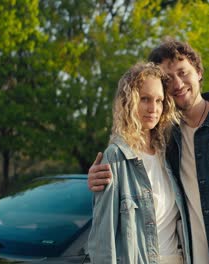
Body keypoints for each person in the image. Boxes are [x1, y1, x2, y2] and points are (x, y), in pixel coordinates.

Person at [88, 40, 209, 264]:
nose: (178, 83)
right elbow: (133, 158)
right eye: (168, 79)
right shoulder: (167, 138)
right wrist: (98, 175)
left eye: (183, 72)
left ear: (199, 72)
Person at [87, 62, 191, 264]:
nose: (153, 108)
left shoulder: (170, 153)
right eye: (145, 99)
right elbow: (103, 240)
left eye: (159, 101)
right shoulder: (116, 157)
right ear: (129, 101)